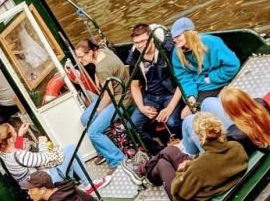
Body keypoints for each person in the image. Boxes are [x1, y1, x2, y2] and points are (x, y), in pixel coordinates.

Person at [130, 112, 248, 201]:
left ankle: (145, 173)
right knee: (170, 150)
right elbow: (212, 167)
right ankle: (144, 170)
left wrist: (182, 171)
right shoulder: (236, 146)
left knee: (162, 164)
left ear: (198, 136)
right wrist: (190, 167)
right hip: (211, 181)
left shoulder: (199, 166)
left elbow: (181, 193)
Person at [0, 123, 111, 193]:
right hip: (46, 180)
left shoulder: (4, 155)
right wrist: (42, 143)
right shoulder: (19, 155)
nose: (17, 131)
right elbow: (45, 158)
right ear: (9, 140)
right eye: (14, 132)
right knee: (71, 149)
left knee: (69, 155)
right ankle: (89, 185)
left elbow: (17, 151)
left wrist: (20, 136)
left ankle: (82, 184)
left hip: (32, 183)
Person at [127, 23, 184, 153]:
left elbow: (181, 81)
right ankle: (158, 151)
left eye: (143, 41)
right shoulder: (135, 57)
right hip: (150, 97)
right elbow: (134, 86)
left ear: (151, 39)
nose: (140, 45)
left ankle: (184, 147)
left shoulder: (167, 51)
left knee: (172, 122)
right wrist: (142, 107)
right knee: (132, 127)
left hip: (170, 93)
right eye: (137, 43)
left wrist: (169, 108)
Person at [76, 39, 131, 171]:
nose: (79, 61)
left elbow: (109, 95)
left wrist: (100, 109)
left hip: (119, 100)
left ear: (90, 53)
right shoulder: (104, 51)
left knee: (93, 132)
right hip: (113, 95)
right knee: (84, 118)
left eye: (81, 57)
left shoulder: (102, 69)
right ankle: (102, 151)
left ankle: (118, 161)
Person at [170, 17, 240, 114]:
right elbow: (183, 77)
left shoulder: (212, 42)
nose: (174, 40)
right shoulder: (177, 52)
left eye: (177, 36)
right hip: (201, 88)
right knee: (185, 115)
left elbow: (232, 65)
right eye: (173, 37)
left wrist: (211, 78)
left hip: (221, 83)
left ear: (189, 33)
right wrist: (191, 95)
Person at [182, 87, 270, 156]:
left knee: (189, 120)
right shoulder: (260, 103)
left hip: (224, 157)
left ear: (229, 112)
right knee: (207, 102)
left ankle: (190, 151)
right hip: (256, 138)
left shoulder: (233, 135)